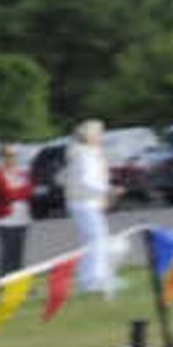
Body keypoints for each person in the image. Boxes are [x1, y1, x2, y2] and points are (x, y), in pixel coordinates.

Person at [65, 118, 116, 296]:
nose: (102, 136)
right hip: (83, 203)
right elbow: (87, 180)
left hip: (88, 202)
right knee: (97, 239)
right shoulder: (84, 154)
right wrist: (107, 190)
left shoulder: (91, 152)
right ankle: (93, 280)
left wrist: (104, 193)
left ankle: (91, 279)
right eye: (99, 133)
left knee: (94, 240)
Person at [0, 142, 34, 278]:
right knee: (7, 255)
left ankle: (19, 285)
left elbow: (29, 191)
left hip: (22, 218)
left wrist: (18, 192)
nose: (11, 159)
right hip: (5, 220)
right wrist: (20, 192)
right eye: (7, 156)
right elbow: (7, 194)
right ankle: (3, 283)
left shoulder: (21, 173)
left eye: (13, 155)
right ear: (0, 157)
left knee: (19, 255)